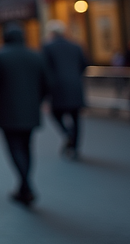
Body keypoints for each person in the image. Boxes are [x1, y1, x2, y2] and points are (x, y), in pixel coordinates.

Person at [0, 22, 50, 206]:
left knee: (14, 148)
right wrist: (40, 101)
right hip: (31, 110)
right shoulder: (35, 55)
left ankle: (26, 186)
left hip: (9, 110)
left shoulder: (0, 55)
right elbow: (47, 82)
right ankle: (24, 187)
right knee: (26, 147)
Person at [42, 19, 88, 159]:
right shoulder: (76, 46)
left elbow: (45, 70)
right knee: (76, 118)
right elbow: (84, 64)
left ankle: (68, 134)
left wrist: (45, 93)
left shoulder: (48, 47)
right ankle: (74, 146)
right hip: (75, 86)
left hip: (58, 88)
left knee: (56, 114)